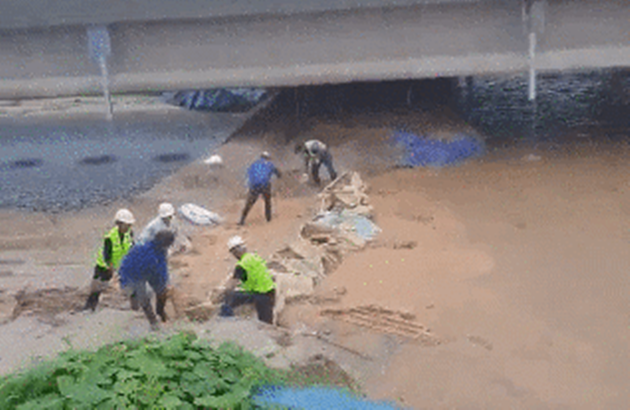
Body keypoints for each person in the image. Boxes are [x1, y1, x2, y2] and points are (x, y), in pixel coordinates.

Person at [118, 230, 175, 331]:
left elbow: (162, 271)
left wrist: (164, 286)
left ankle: (160, 313)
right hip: (133, 274)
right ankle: (153, 322)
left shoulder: (158, 250)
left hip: (146, 271)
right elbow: (159, 274)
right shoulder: (149, 254)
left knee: (161, 292)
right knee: (143, 297)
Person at [83, 208, 135, 311]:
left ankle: (135, 305)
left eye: (130, 225)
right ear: (119, 224)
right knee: (97, 288)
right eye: (127, 225)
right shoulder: (110, 237)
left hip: (119, 265)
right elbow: (107, 256)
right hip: (103, 267)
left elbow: (132, 248)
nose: (129, 227)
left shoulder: (129, 233)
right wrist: (112, 271)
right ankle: (89, 307)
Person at [217, 236, 276, 324]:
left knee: (228, 297)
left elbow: (232, 285)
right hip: (270, 292)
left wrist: (220, 294)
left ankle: (225, 322)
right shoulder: (254, 257)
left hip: (259, 295)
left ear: (234, 252)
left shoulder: (242, 264)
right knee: (266, 322)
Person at [238, 151, 282, 226]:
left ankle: (242, 220)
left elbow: (249, 175)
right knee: (267, 202)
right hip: (265, 185)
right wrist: (279, 176)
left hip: (254, 185)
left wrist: (248, 186)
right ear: (267, 158)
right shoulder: (270, 164)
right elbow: (278, 173)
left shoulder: (254, 164)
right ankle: (268, 219)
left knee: (249, 203)